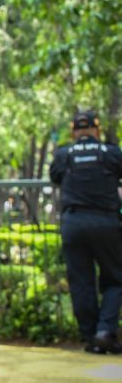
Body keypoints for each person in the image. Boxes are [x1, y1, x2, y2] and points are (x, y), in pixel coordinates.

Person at [49, 109, 122, 354]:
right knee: (116, 278)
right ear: (96, 130)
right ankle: (105, 331)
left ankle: (92, 338)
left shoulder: (63, 154)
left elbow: (55, 177)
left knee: (81, 282)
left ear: (73, 131)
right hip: (106, 223)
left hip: (74, 222)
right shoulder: (110, 153)